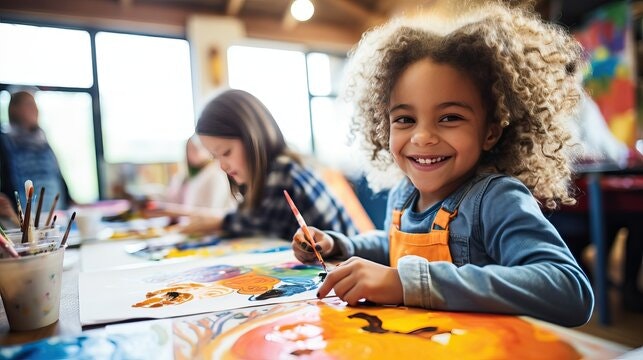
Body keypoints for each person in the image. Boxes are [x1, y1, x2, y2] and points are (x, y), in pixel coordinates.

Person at [292, 2, 594, 327]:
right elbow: (394, 245)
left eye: (450, 117)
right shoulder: (403, 195)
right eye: (405, 119)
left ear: (490, 132)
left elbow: (569, 289)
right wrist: (341, 245)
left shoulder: (496, 199)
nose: (422, 137)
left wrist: (409, 284)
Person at [181, 89, 359, 241]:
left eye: (226, 153)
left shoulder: (284, 174)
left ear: (252, 137)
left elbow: (258, 223)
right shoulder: (274, 172)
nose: (222, 166)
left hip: (349, 268)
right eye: (215, 157)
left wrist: (219, 221)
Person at [0, 91, 71, 222]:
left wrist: (71, 200)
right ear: (13, 109)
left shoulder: (43, 140)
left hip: (56, 217)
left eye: (35, 105)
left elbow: (56, 174)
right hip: (22, 222)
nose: (35, 109)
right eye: (28, 104)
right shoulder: (4, 141)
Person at [146, 136, 237, 218]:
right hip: (188, 226)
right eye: (190, 149)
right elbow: (173, 199)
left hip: (207, 228)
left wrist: (173, 211)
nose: (194, 153)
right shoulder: (185, 176)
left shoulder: (216, 173)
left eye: (197, 148)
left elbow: (213, 211)